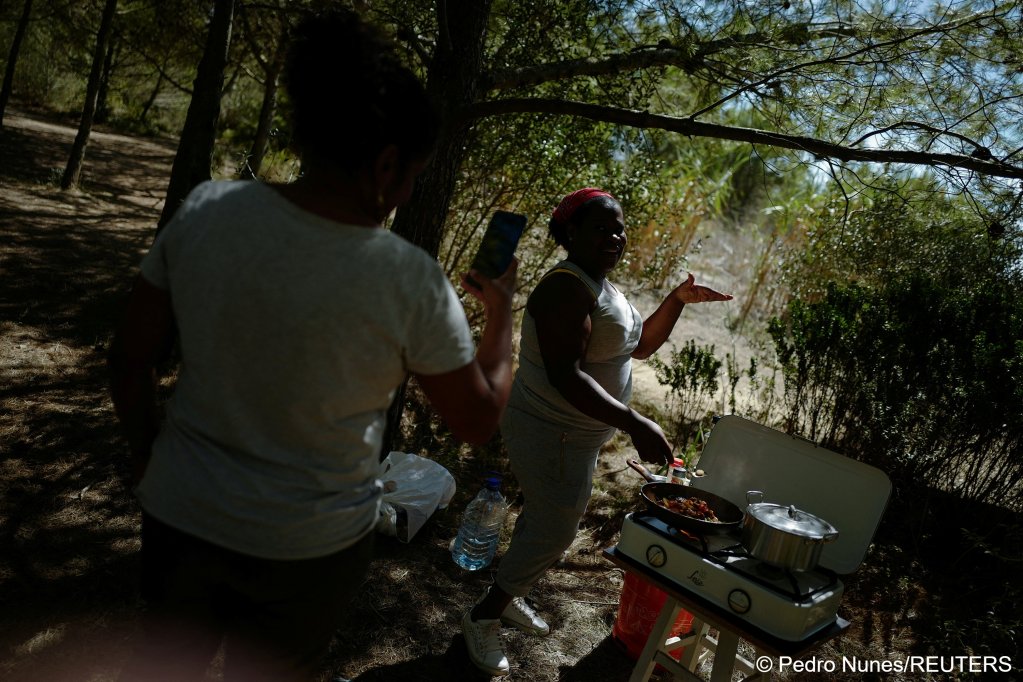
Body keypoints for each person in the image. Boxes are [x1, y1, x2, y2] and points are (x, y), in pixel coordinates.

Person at [108, 9, 516, 682]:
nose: (409, 188)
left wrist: (150, 453)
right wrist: (498, 318)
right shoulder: (405, 277)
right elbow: (476, 419)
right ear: (386, 164)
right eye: (413, 173)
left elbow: (128, 359)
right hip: (307, 551)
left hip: (182, 516)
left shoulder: (208, 210)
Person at [459, 188, 732, 676]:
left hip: (576, 434)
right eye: (603, 228)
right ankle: (482, 616)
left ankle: (507, 592)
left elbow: (640, 346)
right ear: (571, 233)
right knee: (556, 527)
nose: (617, 236)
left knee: (546, 517)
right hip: (549, 427)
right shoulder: (567, 286)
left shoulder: (603, 286)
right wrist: (634, 422)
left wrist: (677, 299)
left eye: (620, 227)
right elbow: (566, 375)